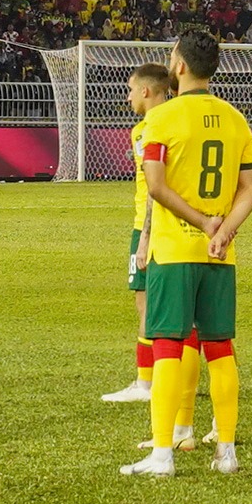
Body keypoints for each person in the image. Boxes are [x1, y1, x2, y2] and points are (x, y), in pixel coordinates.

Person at [120, 29, 252, 477]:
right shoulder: (235, 118)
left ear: (179, 66)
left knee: (168, 343)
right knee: (219, 347)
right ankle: (226, 451)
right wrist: (225, 229)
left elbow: (156, 185)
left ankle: (162, 453)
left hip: (175, 248)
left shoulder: (161, 118)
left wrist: (202, 223)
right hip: (220, 254)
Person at [102, 64, 182, 405]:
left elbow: (153, 186)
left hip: (152, 226)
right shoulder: (180, 120)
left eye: (131, 89)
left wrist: (145, 234)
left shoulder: (147, 130)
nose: (128, 96)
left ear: (146, 91)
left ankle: (147, 382)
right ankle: (181, 378)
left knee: (145, 301)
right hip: (184, 226)